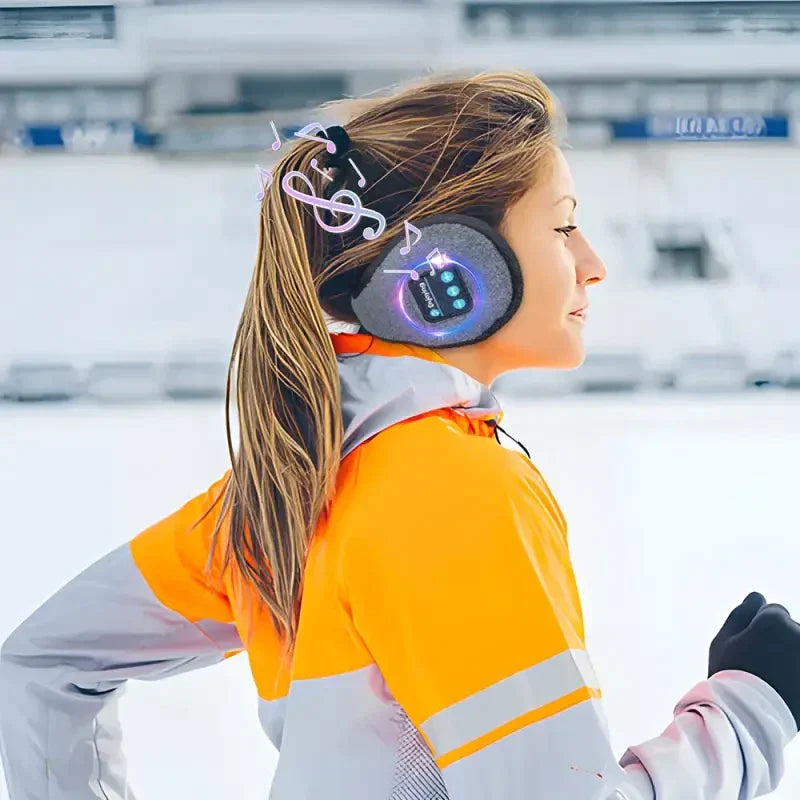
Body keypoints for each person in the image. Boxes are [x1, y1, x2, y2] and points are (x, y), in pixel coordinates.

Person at [1, 70, 799, 800]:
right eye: (563, 229)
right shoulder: (453, 490)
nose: (593, 264)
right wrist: (750, 711)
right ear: (451, 273)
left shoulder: (285, 489)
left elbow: (43, 666)